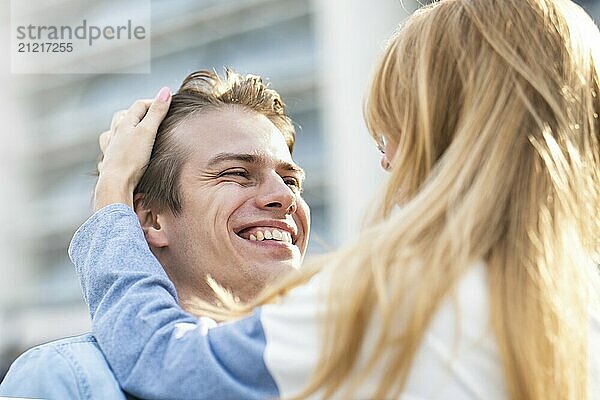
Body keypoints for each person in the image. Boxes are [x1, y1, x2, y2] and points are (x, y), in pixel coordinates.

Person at [68, 0, 600, 399]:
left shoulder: (387, 298)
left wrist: (110, 196)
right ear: (152, 219)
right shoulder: (579, 296)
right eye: (236, 174)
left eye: (399, 134)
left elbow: (168, 363)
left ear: (459, 137)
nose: (388, 163)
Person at [0, 69, 310, 399]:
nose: (287, 196)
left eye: (291, 181)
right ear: (151, 219)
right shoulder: (64, 377)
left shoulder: (332, 355)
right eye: (237, 173)